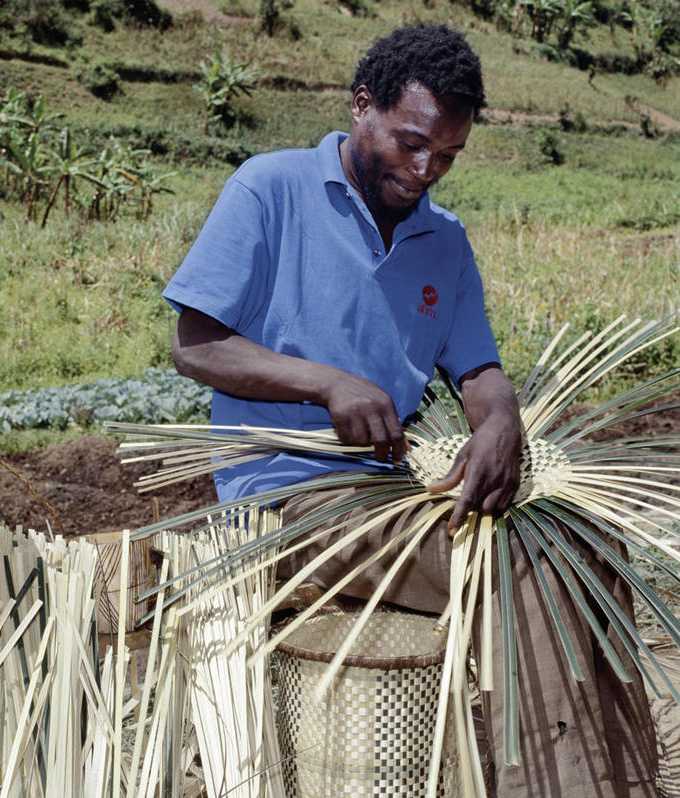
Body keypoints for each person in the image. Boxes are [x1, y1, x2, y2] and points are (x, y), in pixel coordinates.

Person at [162, 23, 658, 797]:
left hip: (391, 494)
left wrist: (499, 424)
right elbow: (195, 345)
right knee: (516, 560)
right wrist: (324, 383)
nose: (425, 170)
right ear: (363, 105)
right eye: (410, 143)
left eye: (448, 156)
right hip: (285, 501)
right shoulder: (271, 188)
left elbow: (481, 371)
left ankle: (618, 780)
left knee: (589, 546)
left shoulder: (443, 241)